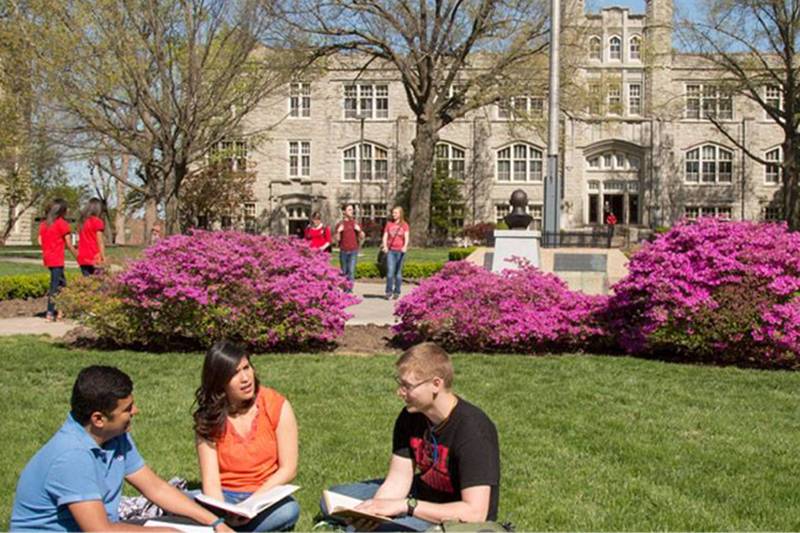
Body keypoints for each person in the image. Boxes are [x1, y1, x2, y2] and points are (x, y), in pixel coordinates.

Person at [10, 365, 232, 532]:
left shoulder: (115, 437)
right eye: (127, 409)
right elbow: (101, 531)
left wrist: (214, 522)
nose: (136, 411)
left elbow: (156, 488)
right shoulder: (72, 457)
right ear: (98, 419)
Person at [320, 343, 500, 532]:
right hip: (419, 496)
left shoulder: (474, 430)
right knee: (331, 500)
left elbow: (475, 512)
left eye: (408, 386)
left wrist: (406, 506)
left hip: (453, 516)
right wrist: (375, 512)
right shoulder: (410, 416)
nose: (400, 392)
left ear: (436, 384)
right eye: (400, 384)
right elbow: (397, 480)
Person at [193, 341, 300, 532]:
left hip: (265, 495)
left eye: (246, 368)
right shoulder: (209, 417)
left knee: (289, 510)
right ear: (219, 381)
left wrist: (251, 504)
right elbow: (210, 482)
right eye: (234, 373)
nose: (245, 378)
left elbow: (288, 469)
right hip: (224, 497)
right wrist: (223, 513)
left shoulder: (276, 405)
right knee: (179, 502)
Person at [38, 198, 78, 321]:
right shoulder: (62, 224)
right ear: (62, 211)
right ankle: (50, 312)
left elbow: (40, 240)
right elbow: (69, 244)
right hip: (57, 259)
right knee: (55, 286)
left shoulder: (44, 224)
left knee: (62, 285)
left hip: (48, 258)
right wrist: (78, 256)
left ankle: (61, 311)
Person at [381, 206, 410, 300]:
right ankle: (388, 292)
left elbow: (406, 237)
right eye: (393, 213)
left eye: (396, 213)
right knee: (390, 273)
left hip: (400, 251)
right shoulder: (389, 224)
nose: (394, 214)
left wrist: (405, 246)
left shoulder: (404, 225)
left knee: (398, 274)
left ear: (400, 214)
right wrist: (385, 246)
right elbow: (385, 236)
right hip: (391, 251)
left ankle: (397, 291)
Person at [335, 204, 365, 291]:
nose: (352, 211)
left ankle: (349, 289)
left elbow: (362, 236)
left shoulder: (355, 223)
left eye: (352, 210)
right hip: (343, 250)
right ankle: (344, 288)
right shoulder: (340, 224)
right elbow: (337, 239)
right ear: (344, 212)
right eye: (349, 210)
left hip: (353, 250)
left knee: (351, 271)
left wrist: (359, 230)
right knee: (344, 271)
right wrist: (338, 231)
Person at [77, 198, 106, 276]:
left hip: (82, 256)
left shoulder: (82, 222)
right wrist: (103, 257)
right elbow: (100, 241)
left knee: (87, 282)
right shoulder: (98, 222)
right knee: (98, 282)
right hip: (94, 255)